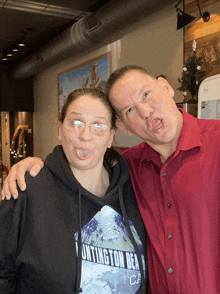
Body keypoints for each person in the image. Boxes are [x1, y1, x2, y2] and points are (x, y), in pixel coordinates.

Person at [2, 64, 220, 294]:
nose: (145, 111)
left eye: (146, 94)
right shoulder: (132, 168)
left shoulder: (126, 178)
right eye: (129, 110)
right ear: (125, 128)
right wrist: (35, 166)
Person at [0, 88, 148, 294]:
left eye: (98, 125)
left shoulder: (134, 190)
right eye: (76, 123)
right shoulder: (26, 190)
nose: (85, 135)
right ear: (60, 129)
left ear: (110, 137)